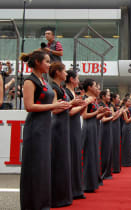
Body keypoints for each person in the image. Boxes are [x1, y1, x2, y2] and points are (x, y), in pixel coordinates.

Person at [20, 50, 70, 210]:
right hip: (35, 128)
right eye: (47, 61)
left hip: (45, 126)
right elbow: (29, 107)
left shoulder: (43, 81)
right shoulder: (30, 81)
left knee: (43, 167)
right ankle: (33, 204)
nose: (49, 64)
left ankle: (43, 203)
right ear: (37, 63)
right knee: (35, 166)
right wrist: (55, 105)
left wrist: (64, 105)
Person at [49, 62, 84, 207]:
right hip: (59, 125)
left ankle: (66, 193)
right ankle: (59, 195)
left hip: (65, 125)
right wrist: (75, 104)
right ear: (58, 72)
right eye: (64, 71)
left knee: (67, 161)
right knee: (60, 161)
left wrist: (79, 104)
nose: (66, 74)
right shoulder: (54, 88)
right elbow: (55, 109)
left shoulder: (59, 89)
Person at [65, 69, 89, 200]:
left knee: (75, 156)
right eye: (77, 78)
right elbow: (69, 111)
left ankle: (76, 188)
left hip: (75, 124)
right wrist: (84, 104)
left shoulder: (73, 93)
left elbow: (77, 111)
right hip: (69, 125)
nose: (79, 81)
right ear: (71, 79)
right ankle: (72, 188)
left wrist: (82, 105)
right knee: (71, 156)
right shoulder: (66, 92)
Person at [81, 79, 105, 193]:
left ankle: (93, 182)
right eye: (96, 86)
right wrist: (98, 112)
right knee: (89, 155)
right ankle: (87, 184)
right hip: (88, 127)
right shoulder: (86, 99)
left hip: (94, 126)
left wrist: (102, 113)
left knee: (94, 155)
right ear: (89, 87)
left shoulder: (94, 100)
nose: (97, 88)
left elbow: (95, 117)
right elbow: (85, 116)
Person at [98, 90, 114, 180]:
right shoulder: (101, 106)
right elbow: (103, 119)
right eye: (108, 95)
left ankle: (108, 172)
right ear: (103, 96)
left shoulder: (107, 105)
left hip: (108, 128)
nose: (109, 97)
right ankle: (104, 172)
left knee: (109, 150)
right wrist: (112, 117)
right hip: (104, 129)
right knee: (105, 150)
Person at [111, 93, 124, 173]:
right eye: (118, 98)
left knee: (117, 146)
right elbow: (114, 117)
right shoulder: (111, 106)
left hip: (117, 126)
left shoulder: (114, 106)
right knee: (115, 146)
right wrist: (121, 111)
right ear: (113, 99)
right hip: (113, 126)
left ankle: (116, 166)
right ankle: (114, 167)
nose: (119, 100)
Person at [121, 97, 131, 167]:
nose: (130, 103)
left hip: (128, 127)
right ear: (125, 102)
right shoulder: (124, 110)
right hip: (126, 127)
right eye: (129, 101)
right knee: (126, 144)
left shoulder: (127, 109)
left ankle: (129, 161)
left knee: (128, 144)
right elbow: (127, 120)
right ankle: (125, 162)